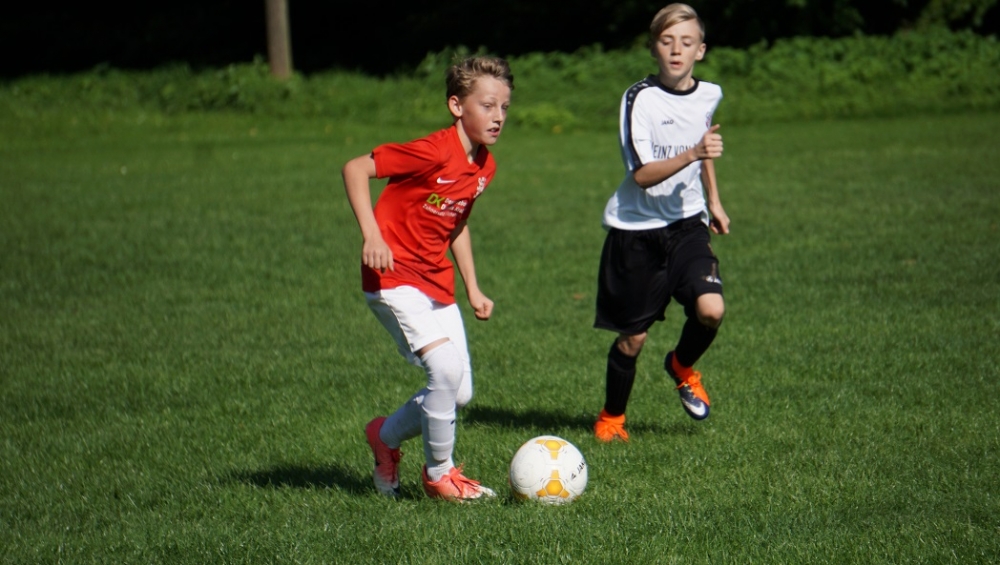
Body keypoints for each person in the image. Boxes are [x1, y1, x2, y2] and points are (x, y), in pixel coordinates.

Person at [342, 56, 513, 499]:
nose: (498, 116)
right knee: (445, 369)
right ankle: (440, 474)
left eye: (504, 107)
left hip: (435, 281)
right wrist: (372, 235)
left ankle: (384, 437)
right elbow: (355, 168)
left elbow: (456, 223)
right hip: (392, 275)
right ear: (456, 106)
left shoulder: (485, 166)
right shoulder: (432, 150)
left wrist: (472, 286)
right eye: (487, 106)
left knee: (458, 392)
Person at [593, 3, 729, 443]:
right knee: (632, 340)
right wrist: (693, 153)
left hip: (687, 224)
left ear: (700, 50)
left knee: (711, 310)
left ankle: (682, 366)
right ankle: (612, 417)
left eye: (686, 42)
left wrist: (714, 201)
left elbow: (704, 146)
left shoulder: (709, 94)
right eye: (667, 41)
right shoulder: (639, 99)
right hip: (636, 231)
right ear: (653, 48)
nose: (676, 50)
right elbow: (642, 174)